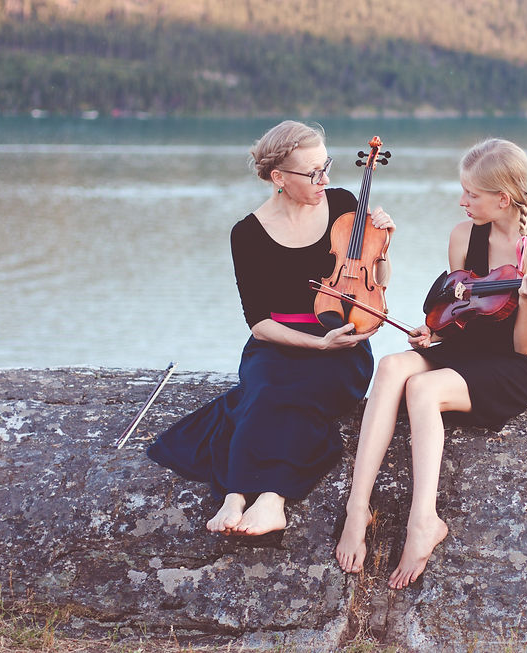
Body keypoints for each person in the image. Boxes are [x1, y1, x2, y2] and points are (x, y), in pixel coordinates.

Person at [335, 138, 527, 588]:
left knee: (422, 388)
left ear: (503, 198)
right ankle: (357, 507)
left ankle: (424, 520)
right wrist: (434, 332)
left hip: (514, 365)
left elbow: (524, 346)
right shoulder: (463, 235)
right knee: (391, 367)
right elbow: (458, 313)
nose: (462, 201)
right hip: (467, 348)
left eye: (471, 194)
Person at [148, 120, 394, 537]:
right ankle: (235, 495)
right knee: (264, 389)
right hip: (278, 342)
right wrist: (315, 347)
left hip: (341, 342)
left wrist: (383, 243)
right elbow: (260, 323)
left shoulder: (342, 205)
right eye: (313, 172)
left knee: (289, 392)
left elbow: (374, 283)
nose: (325, 179)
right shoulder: (247, 234)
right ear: (279, 177)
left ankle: (271, 498)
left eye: (326, 166)